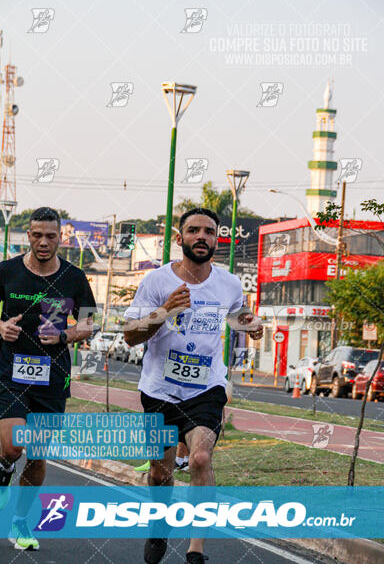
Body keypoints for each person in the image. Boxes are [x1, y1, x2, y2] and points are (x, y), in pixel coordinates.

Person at [124, 207, 263, 564]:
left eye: (209, 232)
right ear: (179, 238)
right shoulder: (155, 282)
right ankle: (159, 528)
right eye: (194, 230)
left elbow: (238, 315)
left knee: (201, 457)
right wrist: (165, 311)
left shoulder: (229, 283)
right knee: (160, 470)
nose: (202, 237)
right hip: (159, 391)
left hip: (205, 388)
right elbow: (129, 337)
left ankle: (195, 551)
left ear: (217, 239)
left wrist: (251, 324)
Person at [0, 207, 96, 550]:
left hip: (52, 377)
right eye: (37, 235)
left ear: (60, 238)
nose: (43, 242)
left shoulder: (75, 277)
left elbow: (88, 323)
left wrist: (67, 336)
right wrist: (0, 325)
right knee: (13, 445)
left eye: (50, 236)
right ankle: (3, 469)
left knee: (37, 455)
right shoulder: (6, 271)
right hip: (10, 371)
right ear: (28, 235)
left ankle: (21, 522)